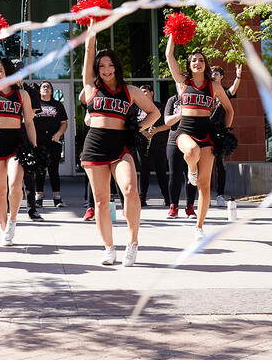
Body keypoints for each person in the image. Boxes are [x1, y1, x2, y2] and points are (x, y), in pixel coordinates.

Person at [79, 34, 159, 266]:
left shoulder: (131, 91)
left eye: (110, 65)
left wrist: (137, 129)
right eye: (102, 66)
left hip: (121, 145)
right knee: (102, 202)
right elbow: (87, 51)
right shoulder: (91, 88)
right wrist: (93, 28)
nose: (106, 69)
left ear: (116, 67)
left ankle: (132, 243)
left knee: (130, 190)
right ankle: (108, 248)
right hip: (94, 146)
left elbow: (155, 113)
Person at [164, 38, 234, 241]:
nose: (197, 62)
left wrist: (226, 131)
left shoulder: (214, 86)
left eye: (200, 60)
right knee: (191, 152)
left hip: (208, 134)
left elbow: (229, 109)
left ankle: (199, 226)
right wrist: (172, 34)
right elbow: (169, 56)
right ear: (189, 64)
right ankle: (191, 171)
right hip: (184, 131)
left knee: (204, 186)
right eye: (193, 60)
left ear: (205, 64)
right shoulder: (182, 82)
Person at [0, 39, 37, 245]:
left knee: (14, 185)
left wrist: (35, 147)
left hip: (16, 143)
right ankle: (4, 230)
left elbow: (29, 123)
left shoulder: (21, 94)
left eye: (1, 70)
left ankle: (12, 220)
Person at [31, 82, 69, 208]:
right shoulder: (35, 105)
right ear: (40, 90)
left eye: (48, 87)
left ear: (52, 91)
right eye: (43, 87)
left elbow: (64, 123)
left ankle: (57, 198)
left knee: (54, 170)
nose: (46, 88)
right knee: (39, 171)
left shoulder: (58, 105)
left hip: (54, 142)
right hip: (39, 143)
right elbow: (29, 122)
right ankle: (39, 198)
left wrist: (58, 134)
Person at [210, 64, 241, 206]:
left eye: (216, 72)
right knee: (203, 165)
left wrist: (238, 76)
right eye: (211, 73)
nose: (213, 75)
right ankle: (203, 195)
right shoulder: (206, 91)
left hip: (219, 134)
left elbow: (233, 89)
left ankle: (220, 195)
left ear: (221, 76)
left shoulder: (224, 92)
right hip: (204, 131)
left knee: (220, 165)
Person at [135, 84, 169, 208]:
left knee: (161, 173)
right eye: (141, 92)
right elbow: (131, 124)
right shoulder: (137, 108)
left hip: (159, 145)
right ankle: (142, 199)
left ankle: (168, 199)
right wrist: (143, 131)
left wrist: (156, 130)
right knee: (144, 172)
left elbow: (169, 124)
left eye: (145, 91)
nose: (143, 94)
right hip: (142, 145)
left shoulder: (160, 106)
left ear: (152, 93)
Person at [162, 92, 196, 218]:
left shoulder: (193, 98)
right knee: (174, 175)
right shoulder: (173, 100)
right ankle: (173, 206)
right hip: (174, 140)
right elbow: (167, 121)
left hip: (191, 140)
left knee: (191, 174)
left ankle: (190, 207)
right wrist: (181, 113)